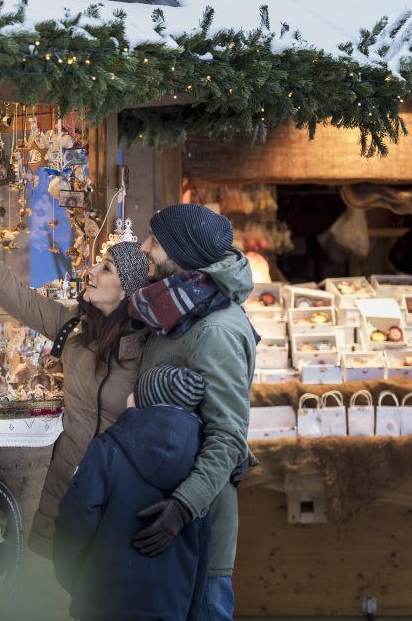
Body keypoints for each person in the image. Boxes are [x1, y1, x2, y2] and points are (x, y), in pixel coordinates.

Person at [0, 194, 149, 559]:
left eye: (107, 270)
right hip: (66, 487)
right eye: (98, 263)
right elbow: (13, 295)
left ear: (127, 290)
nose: (92, 272)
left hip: (119, 495)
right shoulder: (74, 324)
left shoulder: (150, 346)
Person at [127, 203, 258, 620]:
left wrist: (182, 508)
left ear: (182, 253)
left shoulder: (215, 329)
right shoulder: (178, 308)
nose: (146, 248)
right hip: (162, 514)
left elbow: (227, 437)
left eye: (156, 241)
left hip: (195, 527)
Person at [54, 365, 210, 620]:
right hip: (172, 607)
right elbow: (203, 545)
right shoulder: (202, 467)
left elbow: (76, 520)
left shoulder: (107, 449)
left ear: (142, 399)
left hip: (102, 602)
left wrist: (75, 581)